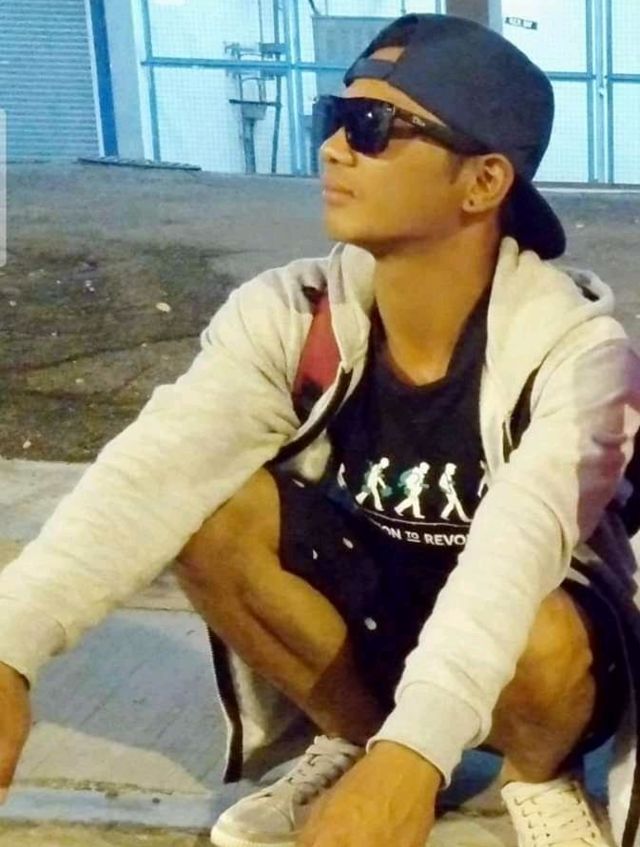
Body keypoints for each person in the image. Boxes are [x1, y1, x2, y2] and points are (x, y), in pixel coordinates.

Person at [0, 12, 639, 847]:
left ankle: (535, 775)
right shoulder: (291, 316)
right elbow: (152, 472)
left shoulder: (575, 353)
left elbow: (517, 553)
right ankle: (356, 741)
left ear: (483, 182)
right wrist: (11, 648)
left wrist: (418, 755)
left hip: (531, 634)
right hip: (379, 610)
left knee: (540, 632)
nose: (335, 149)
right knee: (208, 507)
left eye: (373, 125)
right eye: (330, 119)